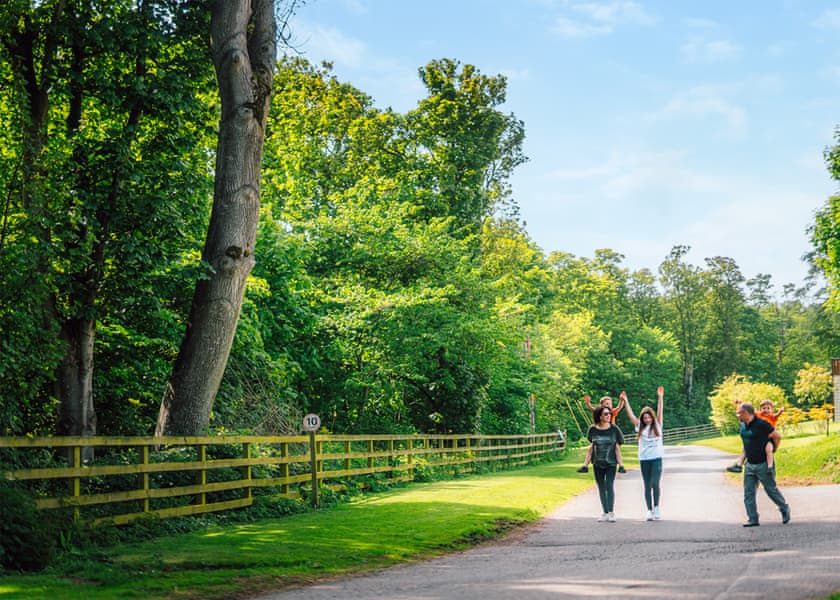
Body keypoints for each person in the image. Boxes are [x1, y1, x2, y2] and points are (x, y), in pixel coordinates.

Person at [735, 402, 790, 527]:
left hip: (763, 464)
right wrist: (741, 461)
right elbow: (746, 443)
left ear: (746, 413)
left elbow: (777, 436)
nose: (737, 415)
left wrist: (774, 448)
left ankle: (784, 508)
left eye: (739, 413)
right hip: (750, 464)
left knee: (771, 490)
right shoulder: (743, 425)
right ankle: (753, 518)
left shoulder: (762, 424)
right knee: (748, 492)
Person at [622, 386, 664, 521]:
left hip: (656, 458)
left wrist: (660, 397)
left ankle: (657, 508)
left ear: (652, 417)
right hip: (644, 459)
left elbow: (660, 411)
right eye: (645, 418)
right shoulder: (640, 427)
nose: (647, 420)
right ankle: (649, 510)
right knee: (647, 484)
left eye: (649, 418)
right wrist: (626, 401)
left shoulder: (657, 425)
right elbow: (631, 415)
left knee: (655, 483)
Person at [584, 405, 626, 522]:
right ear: (600, 416)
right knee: (601, 487)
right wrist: (585, 464)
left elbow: (618, 447)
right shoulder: (592, 429)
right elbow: (591, 446)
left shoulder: (614, 429)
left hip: (611, 463)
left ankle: (611, 512)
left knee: (609, 485)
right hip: (597, 462)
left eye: (609, 413)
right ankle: (605, 512)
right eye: (606, 414)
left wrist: (621, 464)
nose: (609, 416)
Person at [726, 399, 783, 472]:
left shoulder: (772, 417)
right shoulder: (759, 415)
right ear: (760, 409)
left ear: (772, 410)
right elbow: (748, 411)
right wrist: (740, 403)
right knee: (746, 448)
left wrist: (780, 411)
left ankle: (770, 467)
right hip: (757, 437)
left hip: (769, 439)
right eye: (764, 408)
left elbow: (777, 417)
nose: (766, 410)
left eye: (768, 408)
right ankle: (739, 465)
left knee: (768, 450)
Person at [577, 394, 626, 473]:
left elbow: (619, 407)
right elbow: (592, 409)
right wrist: (588, 403)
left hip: (611, 433)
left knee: (616, 447)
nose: (609, 405)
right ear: (601, 405)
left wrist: (622, 400)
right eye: (607, 403)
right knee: (591, 447)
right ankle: (585, 466)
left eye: (610, 403)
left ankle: (621, 466)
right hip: (600, 433)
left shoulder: (612, 412)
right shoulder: (599, 412)